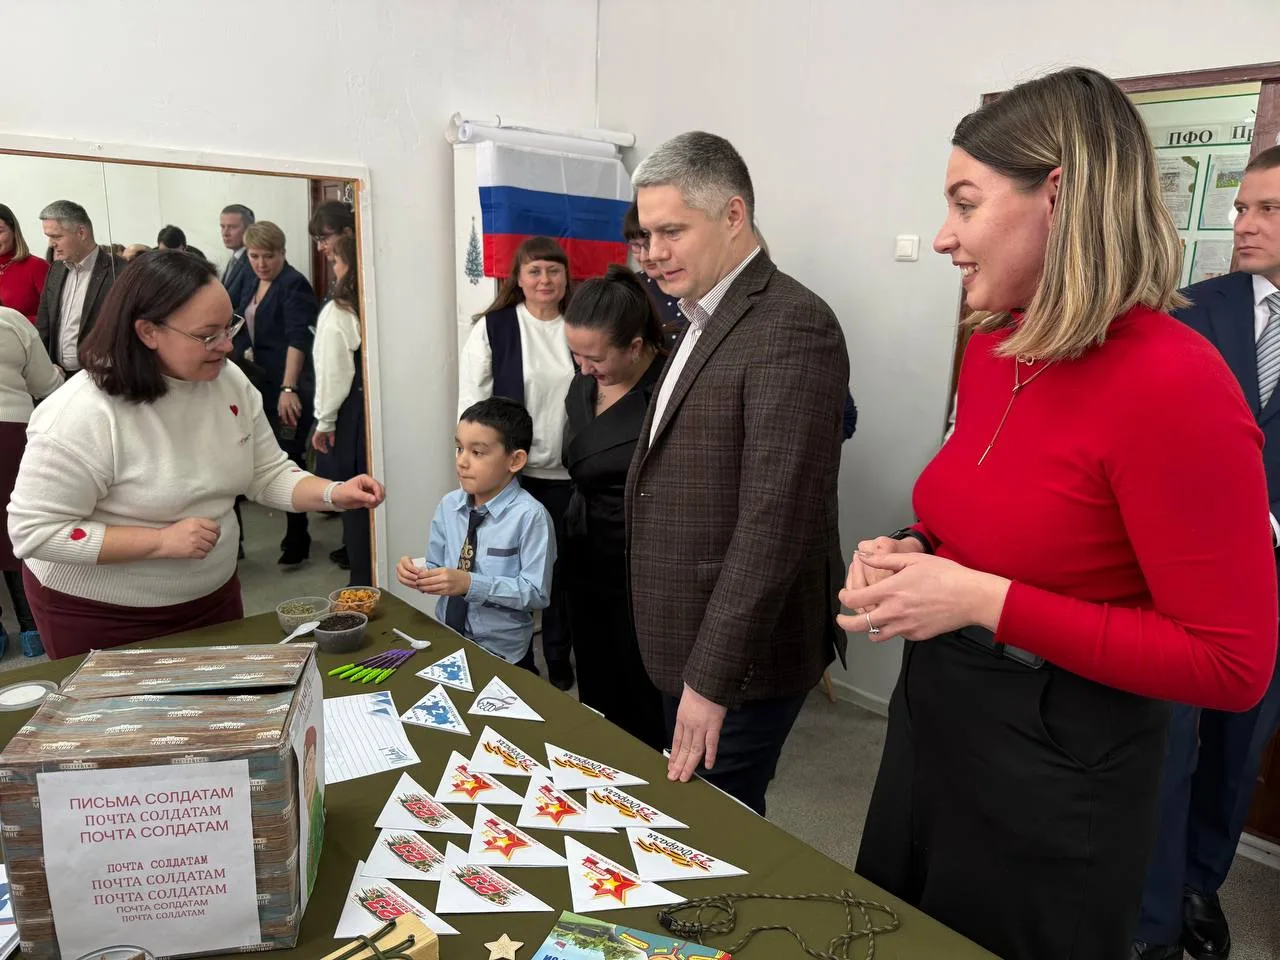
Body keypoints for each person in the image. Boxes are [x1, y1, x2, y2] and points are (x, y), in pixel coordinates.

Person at [837, 68, 1277, 960]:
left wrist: (980, 599)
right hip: (938, 715)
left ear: (1060, 194)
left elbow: (1232, 665)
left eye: (965, 205)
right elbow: (985, 515)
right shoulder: (999, 343)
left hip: (1061, 760)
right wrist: (915, 548)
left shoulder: (1175, 381)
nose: (943, 236)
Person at [7, 251, 384, 660]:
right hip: (100, 614)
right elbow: (35, 532)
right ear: (148, 332)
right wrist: (159, 542)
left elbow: (266, 473)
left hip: (210, 597)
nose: (227, 345)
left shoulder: (227, 381)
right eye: (208, 335)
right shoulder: (81, 413)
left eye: (229, 327)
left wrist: (334, 493)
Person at [626, 132, 849, 815]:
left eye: (672, 232)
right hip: (683, 631)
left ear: (732, 215)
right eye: (647, 234)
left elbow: (773, 524)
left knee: (711, 829)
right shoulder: (700, 312)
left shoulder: (793, 325)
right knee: (685, 818)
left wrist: (710, 681)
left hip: (737, 661)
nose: (653, 252)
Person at [1132, 144, 1280, 960]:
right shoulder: (1191, 308)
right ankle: (1150, 908)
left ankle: (1198, 885)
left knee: (1238, 745)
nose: (1244, 225)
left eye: (1268, 210)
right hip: (1180, 574)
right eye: (1241, 208)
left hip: (1275, 583)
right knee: (1168, 739)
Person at [458, 236, 576, 690]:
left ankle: (559, 658)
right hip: (513, 477)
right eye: (534, 271)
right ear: (519, 279)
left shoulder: (579, 324)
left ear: (566, 277)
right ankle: (509, 662)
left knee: (561, 576)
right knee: (503, 571)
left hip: (569, 475)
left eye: (553, 270)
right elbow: (472, 404)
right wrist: (475, 466)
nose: (545, 279)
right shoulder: (496, 327)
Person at [562, 265, 668, 751]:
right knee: (595, 676)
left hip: (641, 560)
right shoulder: (584, 385)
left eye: (595, 358)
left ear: (635, 346)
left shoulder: (669, 394)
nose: (584, 368)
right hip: (585, 548)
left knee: (640, 688)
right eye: (575, 355)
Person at [395, 397, 553, 672]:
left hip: (504, 652)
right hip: (448, 635)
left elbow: (536, 593)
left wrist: (470, 584)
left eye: (477, 452)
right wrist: (418, 572)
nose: (462, 462)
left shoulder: (530, 517)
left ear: (515, 460)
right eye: (459, 448)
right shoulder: (449, 505)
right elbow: (437, 564)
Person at [232, 221, 318, 566]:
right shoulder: (250, 279)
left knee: (289, 456)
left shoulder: (293, 284)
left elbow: (299, 340)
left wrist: (288, 387)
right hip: (259, 382)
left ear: (282, 253)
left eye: (268, 256)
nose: (261, 263)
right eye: (254, 256)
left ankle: (298, 534)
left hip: (286, 386)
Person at [0, 305, 63, 658]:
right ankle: (32, 628)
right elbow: (47, 385)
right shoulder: (11, 321)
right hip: (11, 436)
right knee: (19, 529)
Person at [311, 234, 371, 587]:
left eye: (336, 261)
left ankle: (362, 583)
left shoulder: (340, 311)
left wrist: (324, 421)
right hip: (379, 410)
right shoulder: (374, 305)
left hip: (353, 416)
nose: (333, 268)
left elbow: (333, 372)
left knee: (357, 501)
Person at [35, 200, 126, 373]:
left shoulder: (119, 271)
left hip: (100, 376)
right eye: (49, 237)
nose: (51, 243)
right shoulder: (56, 269)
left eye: (57, 236)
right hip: (58, 376)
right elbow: (44, 324)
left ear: (81, 232)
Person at [0, 204, 50, 324]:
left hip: (25, 336)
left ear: (14, 231)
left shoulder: (37, 267)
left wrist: (14, 322)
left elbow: (55, 316)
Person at [219, 203, 256, 309]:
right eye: (222, 227)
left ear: (249, 229)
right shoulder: (235, 258)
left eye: (232, 227)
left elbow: (244, 309)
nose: (225, 233)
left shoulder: (253, 262)